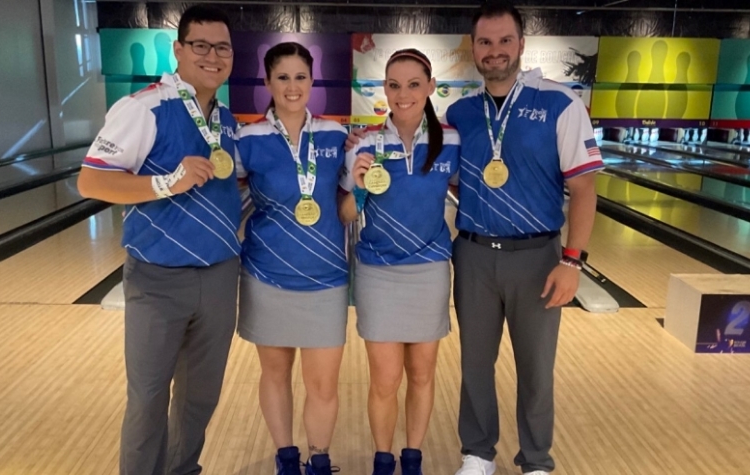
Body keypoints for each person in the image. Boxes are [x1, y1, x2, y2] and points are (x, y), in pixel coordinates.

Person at [76, 5, 241, 475]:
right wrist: (167, 182)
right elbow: (91, 181)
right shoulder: (144, 108)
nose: (213, 56)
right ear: (179, 50)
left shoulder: (227, 120)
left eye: (222, 47)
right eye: (201, 46)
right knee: (148, 399)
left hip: (219, 275)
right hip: (157, 278)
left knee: (199, 397)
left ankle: (182, 469)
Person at [447, 2, 604, 475]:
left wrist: (572, 261)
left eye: (504, 40)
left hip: (538, 257)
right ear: (473, 47)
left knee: (536, 368)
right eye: (485, 42)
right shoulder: (459, 113)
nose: (495, 51)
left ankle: (536, 460)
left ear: (521, 44)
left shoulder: (560, 103)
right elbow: (444, 176)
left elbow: (584, 189)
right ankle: (478, 453)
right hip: (473, 254)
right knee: (475, 364)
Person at [338, 49, 460, 475]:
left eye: (413, 84)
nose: (402, 94)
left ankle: (412, 460)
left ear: (430, 87)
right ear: (384, 89)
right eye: (393, 85)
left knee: (422, 376)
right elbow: (345, 215)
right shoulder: (363, 143)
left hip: (429, 271)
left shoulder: (452, 141)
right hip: (378, 273)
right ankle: (383, 460)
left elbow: (466, 191)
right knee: (385, 380)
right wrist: (358, 188)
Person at [234, 42, 348, 475]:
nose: (292, 86)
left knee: (323, 384)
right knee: (275, 375)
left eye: (300, 76)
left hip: (326, 278)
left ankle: (319, 460)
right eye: (282, 77)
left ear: (312, 80)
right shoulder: (248, 140)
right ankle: (286, 460)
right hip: (268, 274)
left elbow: (347, 199)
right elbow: (229, 196)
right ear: (267, 82)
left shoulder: (336, 135)